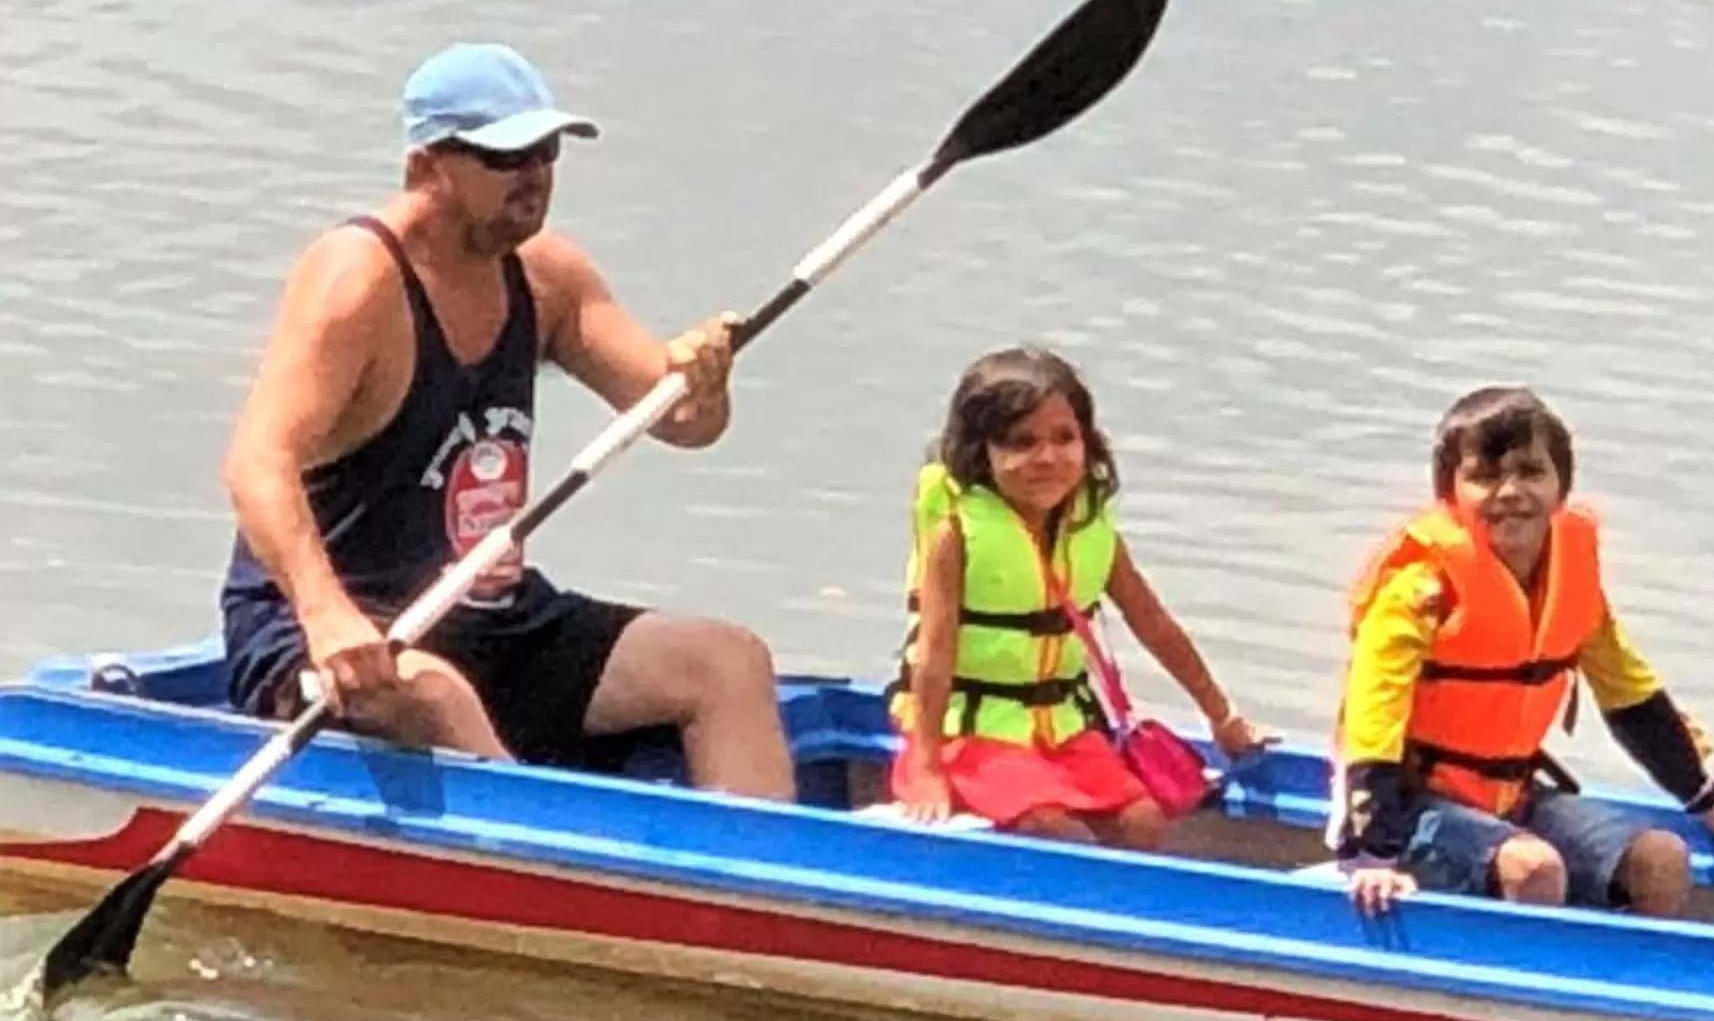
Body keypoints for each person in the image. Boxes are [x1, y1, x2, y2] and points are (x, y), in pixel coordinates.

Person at [219, 42, 793, 797]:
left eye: (547, 151)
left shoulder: (548, 276)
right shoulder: (356, 279)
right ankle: (553, 874)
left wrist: (705, 381)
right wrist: (328, 618)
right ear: (429, 165)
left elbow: (680, 420)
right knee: (436, 697)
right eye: (506, 156)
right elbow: (256, 461)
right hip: (339, 630)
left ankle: (746, 894)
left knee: (727, 660)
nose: (534, 176)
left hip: (493, 616)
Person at [1334, 385, 1714, 915]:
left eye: (1531, 472)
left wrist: (1707, 798)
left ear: (1561, 488)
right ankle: (1500, 993)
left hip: (1513, 797)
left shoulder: (1573, 583)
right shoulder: (1419, 591)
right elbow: (1373, 722)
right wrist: (1374, 851)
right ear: (1450, 493)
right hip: (1409, 806)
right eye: (1485, 477)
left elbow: (1630, 693)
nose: (1510, 492)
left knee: (1663, 858)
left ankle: (1619, 993)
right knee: (1534, 869)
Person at [893, 344, 1268, 840]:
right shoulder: (957, 534)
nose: (1046, 458)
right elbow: (935, 654)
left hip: (1063, 730)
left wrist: (1222, 717)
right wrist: (926, 765)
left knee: (1143, 821)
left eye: (1065, 438)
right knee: (1054, 830)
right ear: (981, 453)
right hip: (971, 736)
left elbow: (1154, 626)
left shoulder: (1089, 530)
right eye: (1021, 443)